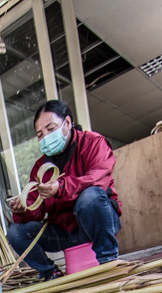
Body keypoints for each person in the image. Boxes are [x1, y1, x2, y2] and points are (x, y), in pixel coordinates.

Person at [8, 100, 122, 281]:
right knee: (16, 232)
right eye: (40, 134)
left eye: (50, 128)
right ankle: (49, 272)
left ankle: (107, 260)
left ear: (67, 123)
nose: (45, 137)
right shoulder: (41, 167)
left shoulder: (93, 143)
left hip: (98, 222)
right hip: (64, 232)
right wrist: (24, 208)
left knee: (90, 197)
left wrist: (61, 187)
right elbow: (37, 209)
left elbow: (98, 179)